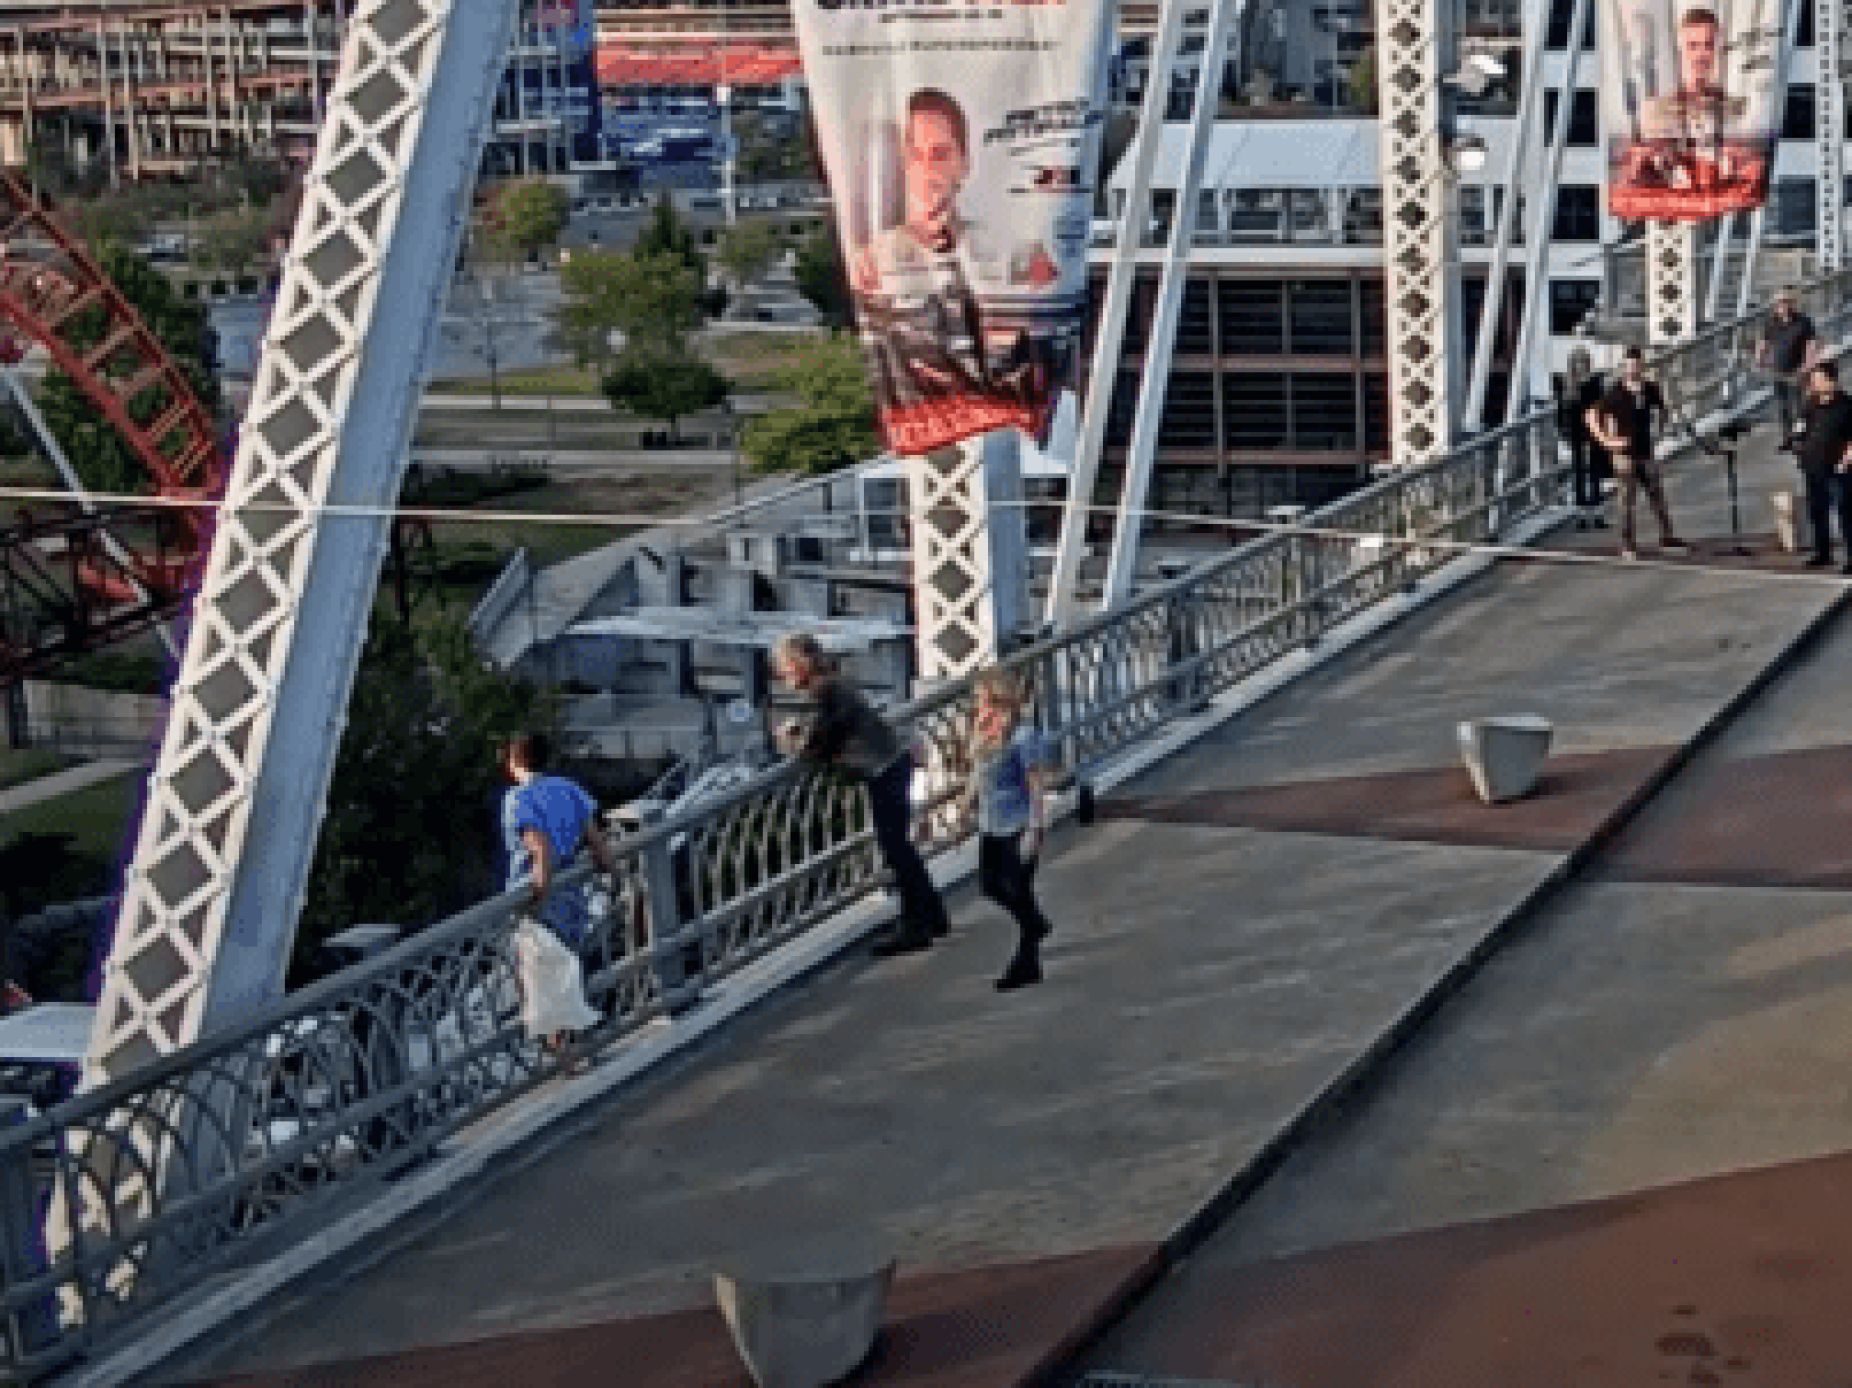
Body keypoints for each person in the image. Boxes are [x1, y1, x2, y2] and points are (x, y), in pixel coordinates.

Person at [850, 89, 1058, 427]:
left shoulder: (1015, 250)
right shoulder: (876, 261)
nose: (928, 170)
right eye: (915, 156)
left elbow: (1052, 362)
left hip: (1006, 427)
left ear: (964, 163)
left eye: (941, 154)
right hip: (927, 428)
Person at [773, 633, 950, 957]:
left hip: (882, 769)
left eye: (785, 668)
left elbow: (819, 746)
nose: (782, 675)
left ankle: (916, 926)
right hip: (892, 763)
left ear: (799, 666)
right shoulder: (834, 686)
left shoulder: (826, 692)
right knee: (901, 847)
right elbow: (832, 731)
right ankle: (933, 914)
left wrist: (788, 740)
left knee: (896, 849)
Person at [501, 731, 618, 1056]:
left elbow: (539, 849)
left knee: (537, 970)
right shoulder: (568, 788)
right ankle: (573, 1040)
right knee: (567, 965)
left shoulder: (518, 799)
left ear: (514, 762)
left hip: (541, 892)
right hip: (573, 892)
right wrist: (610, 870)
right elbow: (596, 840)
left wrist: (538, 893)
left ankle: (558, 1049)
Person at [966, 667, 1056, 992]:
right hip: (991, 823)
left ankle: (1026, 962)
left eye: (983, 698)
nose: (978, 704)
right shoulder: (985, 729)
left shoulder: (1023, 735)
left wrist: (1036, 827)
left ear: (1000, 700)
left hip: (1017, 825)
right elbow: (978, 772)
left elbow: (1036, 784)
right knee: (990, 886)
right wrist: (969, 803)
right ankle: (1035, 924)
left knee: (1018, 891)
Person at [1585, 346, 1694, 561]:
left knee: (1658, 495)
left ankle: (1667, 537)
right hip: (1624, 454)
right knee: (1626, 501)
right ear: (1625, 367)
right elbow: (1591, 415)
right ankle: (1627, 544)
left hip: (1645, 451)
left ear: (1642, 366)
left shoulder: (1650, 389)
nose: (1633, 369)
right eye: (1630, 365)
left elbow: (1663, 410)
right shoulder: (1615, 392)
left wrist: (1660, 432)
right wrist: (1607, 440)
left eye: (1636, 365)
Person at [1789, 359, 1852, 571]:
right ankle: (1823, 553)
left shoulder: (1846, 405)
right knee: (1817, 510)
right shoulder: (1809, 405)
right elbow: (1800, 428)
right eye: (1813, 380)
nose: (1815, 384)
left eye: (1819, 379)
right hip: (1813, 466)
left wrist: (1848, 457)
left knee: (1845, 512)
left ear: (1832, 381)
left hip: (1838, 467)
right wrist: (1796, 443)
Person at [1757, 288, 1820, 439]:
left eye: (1785, 302)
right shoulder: (1771, 322)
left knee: (1800, 405)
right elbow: (1764, 342)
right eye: (1779, 303)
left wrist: (1808, 364)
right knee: (1783, 405)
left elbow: (1811, 344)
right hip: (1777, 370)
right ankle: (1787, 435)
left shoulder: (1803, 321)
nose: (1782, 306)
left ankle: (1801, 433)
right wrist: (1759, 359)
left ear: (1792, 303)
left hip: (1797, 370)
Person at [1558, 347, 1610, 527]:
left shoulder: (1567, 384)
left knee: (1581, 472)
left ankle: (1583, 515)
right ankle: (1595, 514)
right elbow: (1600, 406)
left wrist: (1564, 432)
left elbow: (1562, 411)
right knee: (1593, 472)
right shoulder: (1593, 382)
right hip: (1589, 431)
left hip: (1579, 431)